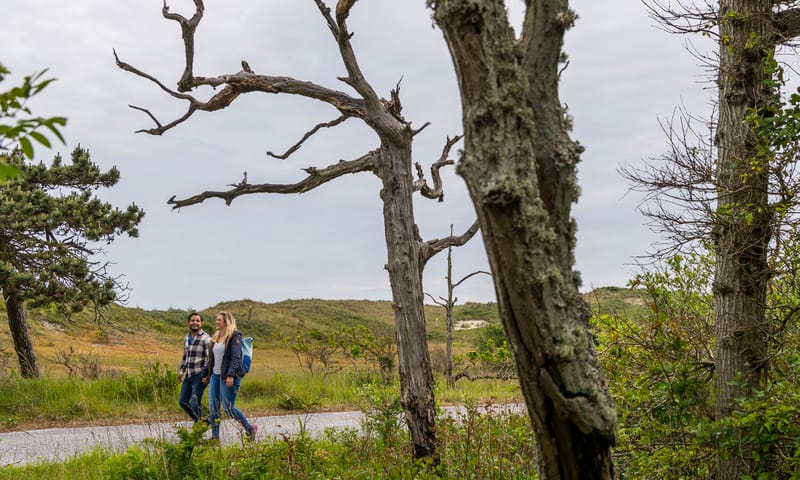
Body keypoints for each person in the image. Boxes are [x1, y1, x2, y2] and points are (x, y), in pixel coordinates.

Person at [204, 310, 258, 441]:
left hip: (229, 376)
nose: (216, 322)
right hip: (215, 376)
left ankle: (249, 428)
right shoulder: (216, 337)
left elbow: (235, 358)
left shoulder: (234, 336)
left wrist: (230, 375)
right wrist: (207, 374)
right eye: (216, 320)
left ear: (226, 321)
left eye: (219, 320)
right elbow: (212, 359)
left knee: (228, 408)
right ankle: (215, 437)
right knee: (214, 407)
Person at [178, 312, 211, 423]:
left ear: (201, 323)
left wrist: (207, 375)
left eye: (198, 321)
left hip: (200, 374)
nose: (195, 323)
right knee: (182, 401)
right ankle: (202, 422)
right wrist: (181, 371)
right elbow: (185, 356)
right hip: (189, 374)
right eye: (193, 320)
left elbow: (209, 359)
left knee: (194, 401)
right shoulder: (186, 338)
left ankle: (200, 424)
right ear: (189, 322)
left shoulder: (206, 339)